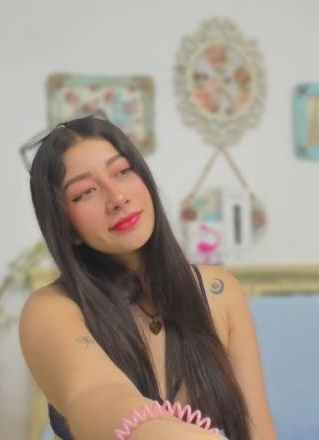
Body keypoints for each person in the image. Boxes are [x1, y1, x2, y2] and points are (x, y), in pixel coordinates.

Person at [19, 114, 277, 440]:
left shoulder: (220, 292)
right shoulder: (51, 310)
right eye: (85, 192)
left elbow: (259, 432)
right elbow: (95, 394)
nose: (117, 198)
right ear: (66, 227)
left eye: (123, 171)